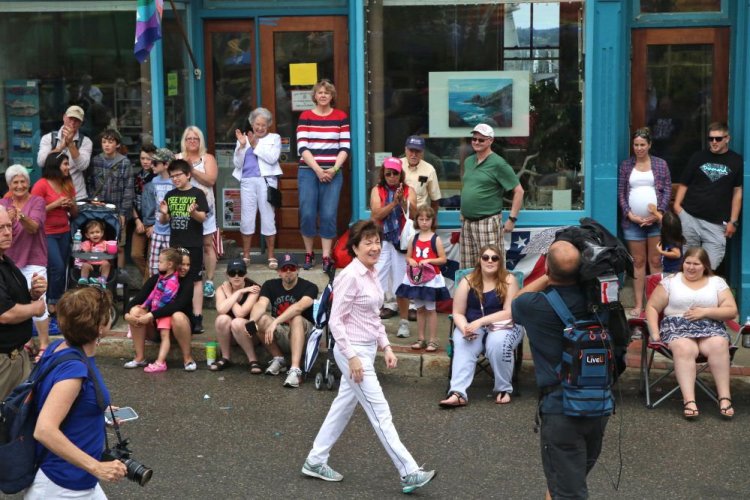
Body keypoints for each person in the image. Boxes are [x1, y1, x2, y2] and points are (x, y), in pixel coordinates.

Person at [302, 219, 436, 494]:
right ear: (355, 247)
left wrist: (386, 346)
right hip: (351, 351)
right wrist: (352, 358)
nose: (374, 247)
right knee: (380, 413)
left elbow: (372, 318)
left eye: (377, 242)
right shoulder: (350, 276)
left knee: (342, 407)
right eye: (368, 243)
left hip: (365, 349)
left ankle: (315, 461)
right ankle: (409, 471)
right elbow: (336, 322)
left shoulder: (371, 272)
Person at [512, 240, 608, 499]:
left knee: (568, 490)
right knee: (567, 481)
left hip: (560, 408)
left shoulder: (533, 306)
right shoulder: (599, 303)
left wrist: (546, 277)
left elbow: (514, 303)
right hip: (599, 405)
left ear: (547, 269)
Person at [25, 287, 127, 498]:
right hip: (61, 485)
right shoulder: (74, 370)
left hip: (77, 481)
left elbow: (64, 402)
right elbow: (44, 430)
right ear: (100, 328)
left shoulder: (59, 348)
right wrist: (97, 467)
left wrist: (98, 411)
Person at [645, 246, 738, 419]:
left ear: (705, 266)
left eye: (696, 264)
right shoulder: (671, 281)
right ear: (683, 263)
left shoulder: (716, 282)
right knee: (685, 348)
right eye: (688, 262)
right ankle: (689, 401)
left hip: (710, 325)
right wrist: (655, 333)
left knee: (719, 344)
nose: (691, 267)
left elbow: (731, 310)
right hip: (677, 326)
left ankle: (725, 398)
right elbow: (651, 306)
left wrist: (705, 312)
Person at [440, 244, 521, 407]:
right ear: (480, 260)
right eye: (486, 257)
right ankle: (458, 393)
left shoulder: (508, 280)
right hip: (472, 325)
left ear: (500, 261)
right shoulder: (468, 281)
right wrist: (464, 327)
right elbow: (457, 312)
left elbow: (509, 312)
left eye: (494, 258)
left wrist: (480, 321)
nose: (490, 261)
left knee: (498, 343)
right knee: (463, 342)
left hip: (504, 325)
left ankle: (503, 388)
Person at [296, 79, 350, 272]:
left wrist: (333, 169)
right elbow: (302, 146)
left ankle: (326, 256)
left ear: (332, 96)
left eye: (327, 92)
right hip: (308, 171)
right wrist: (318, 170)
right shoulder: (306, 116)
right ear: (315, 96)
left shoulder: (340, 117)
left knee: (328, 214)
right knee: (308, 213)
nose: (323, 95)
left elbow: (345, 146)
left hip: (333, 172)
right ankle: (309, 253)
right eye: (320, 92)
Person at [673, 122, 743, 270]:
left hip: (717, 223)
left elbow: (737, 192)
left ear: (727, 138)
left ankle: (704, 293)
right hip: (690, 217)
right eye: (711, 139)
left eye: (718, 139)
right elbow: (684, 183)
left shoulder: (736, 160)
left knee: (709, 266)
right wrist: (677, 207)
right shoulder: (699, 157)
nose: (714, 142)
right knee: (689, 264)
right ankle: (688, 294)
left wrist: (734, 221)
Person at [617, 127, 671, 317]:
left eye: (642, 145)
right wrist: (629, 214)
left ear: (649, 145)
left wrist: (659, 213)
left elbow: (666, 191)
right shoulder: (626, 165)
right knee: (638, 262)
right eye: (636, 145)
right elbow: (621, 193)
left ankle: (655, 305)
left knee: (655, 261)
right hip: (633, 222)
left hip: (655, 222)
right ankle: (639, 304)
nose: (639, 148)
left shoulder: (660, 164)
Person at [247, 253, 318, 388]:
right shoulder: (269, 285)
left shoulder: (310, 287)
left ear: (298, 269)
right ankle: (279, 359)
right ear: (278, 272)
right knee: (261, 319)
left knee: (296, 318)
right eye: (284, 269)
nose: (288, 272)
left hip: (303, 335)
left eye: (292, 268)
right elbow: (261, 305)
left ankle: (295, 369)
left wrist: (275, 321)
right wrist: (251, 321)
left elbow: (299, 307)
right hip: (281, 332)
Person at [0, 165, 49, 358]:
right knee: (17, 299)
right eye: (15, 182)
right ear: (9, 185)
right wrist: (8, 219)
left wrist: (19, 216)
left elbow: (33, 227)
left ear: (28, 183)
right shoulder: (3, 203)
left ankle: (44, 343)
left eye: (23, 181)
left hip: (34, 257)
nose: (19, 185)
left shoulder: (37, 201)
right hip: (10, 259)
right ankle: (26, 342)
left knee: (39, 298)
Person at [459, 123, 524, 269]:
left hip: (487, 222)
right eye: (474, 139)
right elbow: (469, 187)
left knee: (491, 268)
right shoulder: (469, 161)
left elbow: (519, 191)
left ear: (491, 141)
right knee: (468, 269)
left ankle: (494, 293)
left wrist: (512, 219)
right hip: (467, 223)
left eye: (481, 140)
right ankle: (471, 293)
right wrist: (463, 212)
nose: (476, 142)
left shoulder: (499, 164)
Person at [0, 206, 47, 399]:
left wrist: (32, 294)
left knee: (17, 418)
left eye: (9, 226)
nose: (7, 232)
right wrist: (36, 308)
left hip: (17, 357)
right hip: (3, 362)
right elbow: (5, 314)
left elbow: (12, 300)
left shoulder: (5, 260)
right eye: (1, 228)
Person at [124, 247, 197, 371]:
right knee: (136, 310)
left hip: (178, 328)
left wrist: (151, 315)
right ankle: (139, 357)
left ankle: (188, 358)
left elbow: (177, 305)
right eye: (182, 264)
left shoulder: (188, 282)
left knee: (177, 316)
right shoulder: (157, 279)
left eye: (188, 264)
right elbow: (138, 299)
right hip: (157, 326)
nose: (185, 268)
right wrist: (127, 314)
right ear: (173, 264)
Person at [159, 159, 209, 334]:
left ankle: (197, 317)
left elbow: (203, 218)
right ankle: (178, 313)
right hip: (175, 245)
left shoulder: (198, 193)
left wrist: (193, 212)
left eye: (178, 175)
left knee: (195, 280)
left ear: (188, 174)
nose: (175, 179)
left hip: (193, 243)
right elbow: (164, 220)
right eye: (172, 176)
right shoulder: (170, 195)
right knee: (175, 279)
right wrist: (164, 215)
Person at [369, 156, 416, 338]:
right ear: (383, 174)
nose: (391, 177)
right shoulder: (377, 190)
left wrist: (403, 202)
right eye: (388, 173)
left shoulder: (408, 190)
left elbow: (415, 213)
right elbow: (376, 214)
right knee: (375, 282)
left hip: (401, 242)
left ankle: (403, 322)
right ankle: (372, 323)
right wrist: (394, 203)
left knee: (400, 284)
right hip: (382, 241)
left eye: (395, 173)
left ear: (400, 174)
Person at [232, 107, 282, 268]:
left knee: (268, 218)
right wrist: (241, 147)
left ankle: (271, 256)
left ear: (268, 125)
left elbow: (272, 158)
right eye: (257, 124)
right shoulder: (244, 138)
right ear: (251, 123)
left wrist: (255, 145)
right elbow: (237, 164)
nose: (260, 128)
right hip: (247, 181)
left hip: (266, 181)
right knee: (247, 218)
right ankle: (246, 255)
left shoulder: (274, 138)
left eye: (263, 125)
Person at [395, 205, 449, 352]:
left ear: (432, 221)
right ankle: (421, 339)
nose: (424, 222)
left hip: (431, 278)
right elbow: (408, 256)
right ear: (417, 221)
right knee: (419, 309)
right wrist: (410, 260)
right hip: (416, 278)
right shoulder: (413, 238)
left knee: (431, 309)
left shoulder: (435, 239)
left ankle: (433, 340)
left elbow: (443, 259)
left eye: (427, 219)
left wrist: (429, 261)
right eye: (421, 219)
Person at [31, 154, 78, 316]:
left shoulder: (67, 183)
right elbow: (33, 212)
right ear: (55, 165)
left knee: (60, 268)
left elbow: (75, 213)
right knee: (56, 267)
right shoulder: (41, 185)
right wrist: (55, 204)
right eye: (65, 164)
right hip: (46, 233)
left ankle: (55, 300)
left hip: (64, 231)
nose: (68, 167)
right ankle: (52, 301)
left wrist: (71, 205)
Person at [86, 128, 134, 285]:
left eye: (110, 142)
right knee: (98, 240)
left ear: (117, 144)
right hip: (99, 210)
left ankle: (118, 277)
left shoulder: (124, 162)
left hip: (118, 209)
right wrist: (93, 200)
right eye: (104, 142)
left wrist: (123, 212)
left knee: (118, 244)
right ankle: (96, 273)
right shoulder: (96, 160)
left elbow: (129, 189)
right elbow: (90, 183)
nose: (107, 145)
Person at [177, 126, 220, 298]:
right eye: (189, 139)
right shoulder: (177, 158)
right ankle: (187, 278)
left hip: (205, 208)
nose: (192, 141)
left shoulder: (207, 158)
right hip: (182, 209)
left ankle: (209, 281)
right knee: (185, 247)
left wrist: (191, 170)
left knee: (207, 245)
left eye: (196, 138)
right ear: (184, 141)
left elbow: (210, 180)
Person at [211, 258, 262, 373]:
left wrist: (230, 294)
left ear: (245, 274)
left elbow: (241, 313)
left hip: (251, 335)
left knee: (237, 322)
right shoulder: (221, 289)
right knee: (221, 319)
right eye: (232, 273)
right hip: (231, 336)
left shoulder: (254, 288)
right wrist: (238, 292)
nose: (236, 276)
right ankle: (225, 358)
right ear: (227, 275)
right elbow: (221, 309)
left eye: (240, 272)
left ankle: (253, 360)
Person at [36, 105, 92, 201]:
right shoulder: (48, 138)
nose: (73, 122)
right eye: (70, 118)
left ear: (81, 123)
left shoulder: (86, 141)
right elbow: (41, 162)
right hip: (51, 195)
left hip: (77, 195)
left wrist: (70, 144)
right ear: (64, 117)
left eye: (76, 120)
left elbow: (82, 166)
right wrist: (60, 147)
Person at [141, 148, 175, 277]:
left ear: (166, 165)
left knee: (171, 265)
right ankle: (155, 292)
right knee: (154, 266)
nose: (151, 165)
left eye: (155, 163)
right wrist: (152, 225)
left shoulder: (175, 182)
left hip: (171, 231)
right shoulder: (154, 181)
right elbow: (153, 206)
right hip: (157, 229)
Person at [131, 143, 157, 282]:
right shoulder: (136, 177)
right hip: (140, 221)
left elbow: (163, 204)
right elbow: (131, 200)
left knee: (152, 258)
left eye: (149, 158)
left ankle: (148, 288)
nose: (145, 161)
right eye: (143, 158)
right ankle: (150, 283)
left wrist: (155, 225)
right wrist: (137, 220)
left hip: (156, 223)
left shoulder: (159, 178)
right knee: (135, 254)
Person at [401, 135, 442, 213]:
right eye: (411, 150)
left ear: (423, 152)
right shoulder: (398, 165)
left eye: (417, 151)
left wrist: (432, 220)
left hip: (419, 218)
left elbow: (435, 200)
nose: (414, 154)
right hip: (398, 216)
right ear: (405, 150)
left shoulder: (429, 170)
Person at [74, 220, 111, 287]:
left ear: (102, 233)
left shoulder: (105, 243)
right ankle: (84, 279)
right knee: (85, 265)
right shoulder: (87, 243)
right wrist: (85, 250)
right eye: (92, 233)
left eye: (97, 232)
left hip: (101, 264)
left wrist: (111, 249)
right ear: (87, 235)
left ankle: (103, 280)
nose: (95, 234)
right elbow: (84, 251)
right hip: (90, 264)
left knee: (107, 264)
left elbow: (111, 251)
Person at [650, 208, 685, 275]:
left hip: (672, 270)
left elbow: (677, 254)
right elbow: (663, 220)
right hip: (673, 268)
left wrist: (661, 251)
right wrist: (655, 212)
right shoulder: (674, 232)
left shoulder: (670, 239)